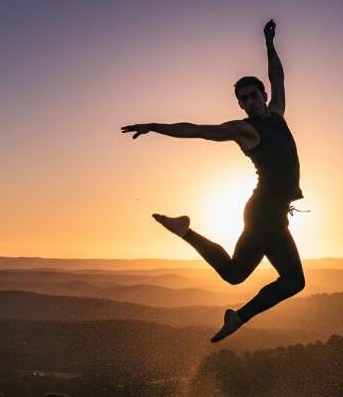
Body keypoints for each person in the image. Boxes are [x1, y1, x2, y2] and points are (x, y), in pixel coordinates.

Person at [121, 19, 306, 342]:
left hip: (266, 212)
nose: (249, 102)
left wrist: (269, 42)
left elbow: (278, 76)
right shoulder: (245, 130)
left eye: (253, 95)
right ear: (240, 104)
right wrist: (153, 125)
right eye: (243, 99)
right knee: (293, 282)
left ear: (263, 95)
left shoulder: (277, 113)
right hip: (264, 213)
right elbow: (196, 130)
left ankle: (185, 230)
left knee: (234, 274)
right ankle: (239, 317)